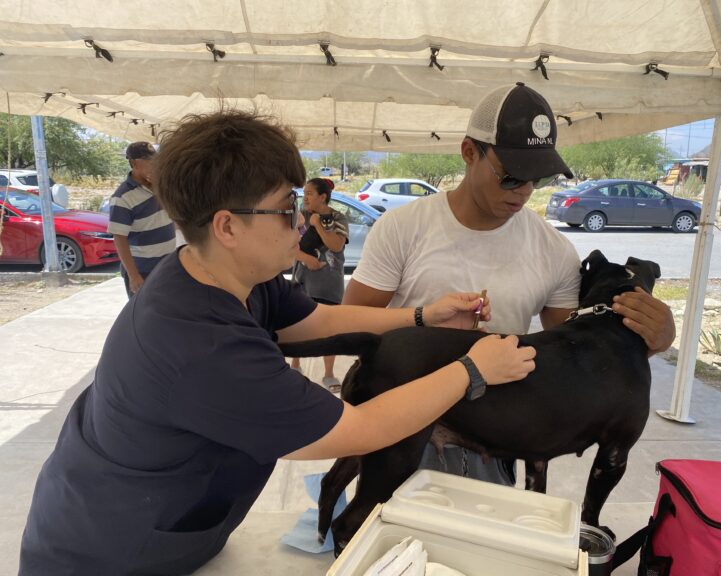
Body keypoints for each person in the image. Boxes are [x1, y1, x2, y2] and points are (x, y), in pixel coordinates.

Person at [19, 109, 538, 576]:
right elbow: (360, 429)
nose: (303, 223)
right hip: (104, 554)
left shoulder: (227, 274)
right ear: (227, 226)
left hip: (166, 525)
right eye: (287, 210)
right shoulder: (200, 345)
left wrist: (424, 315)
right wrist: (473, 369)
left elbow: (314, 320)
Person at [343, 82, 676, 485]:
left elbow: (578, 353)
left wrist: (653, 340)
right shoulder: (404, 228)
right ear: (469, 152)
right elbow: (351, 323)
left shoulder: (554, 250)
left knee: (485, 544)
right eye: (511, 177)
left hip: (494, 435)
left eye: (537, 178)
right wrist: (423, 324)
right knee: (386, 535)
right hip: (404, 421)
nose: (523, 192)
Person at [291, 177, 348, 392]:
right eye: (303, 193)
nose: (304, 198)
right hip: (302, 280)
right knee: (298, 324)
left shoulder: (338, 217)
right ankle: (295, 365)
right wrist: (308, 260)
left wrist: (318, 225)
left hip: (329, 284)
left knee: (329, 329)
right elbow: (288, 245)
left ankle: (329, 374)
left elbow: (335, 245)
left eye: (309, 194)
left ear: (322, 197)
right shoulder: (299, 217)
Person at [108, 141, 176, 297]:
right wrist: (133, 276)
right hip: (143, 269)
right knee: (144, 315)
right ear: (134, 163)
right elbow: (119, 238)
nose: (155, 165)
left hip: (166, 264)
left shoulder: (158, 186)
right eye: (150, 162)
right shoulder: (122, 198)